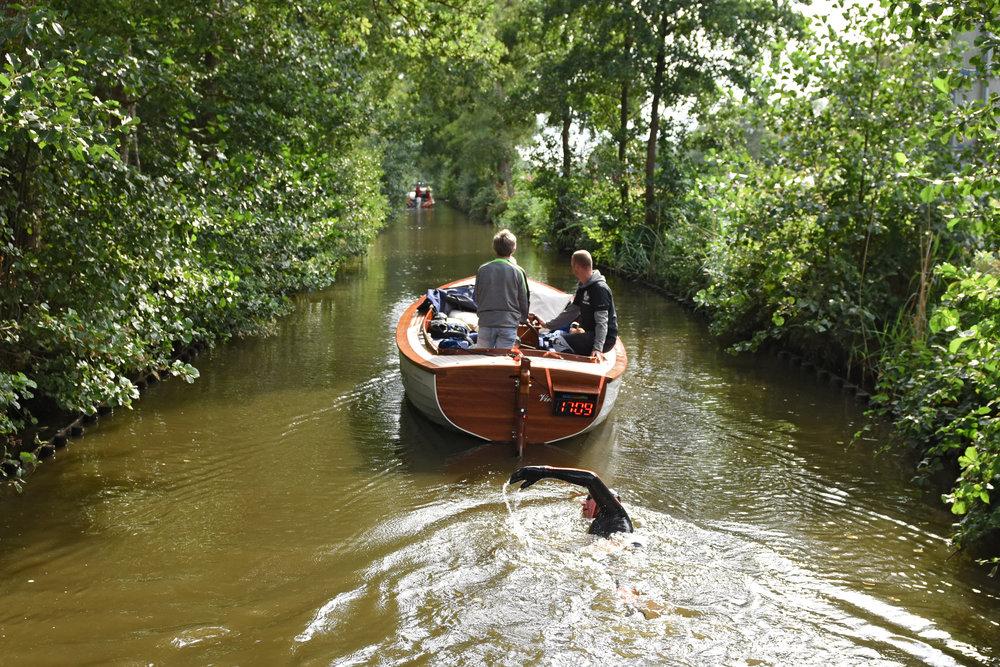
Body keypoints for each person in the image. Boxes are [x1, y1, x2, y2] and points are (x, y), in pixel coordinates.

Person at [529, 250, 618, 362]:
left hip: (605, 339)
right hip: (590, 334)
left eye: (572, 266)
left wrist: (598, 348)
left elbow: (602, 322)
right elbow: (571, 312)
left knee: (557, 341)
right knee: (553, 339)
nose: (572, 270)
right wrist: (548, 325)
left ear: (576, 267)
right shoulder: (583, 286)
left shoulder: (599, 289)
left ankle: (575, 364)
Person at [508, 465, 633, 537]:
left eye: (590, 497)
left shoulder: (616, 517)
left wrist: (543, 471)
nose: (584, 503)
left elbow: (590, 479)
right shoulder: (604, 522)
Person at [474, 229, 529, 349]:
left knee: (482, 357)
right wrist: (523, 319)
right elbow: (523, 300)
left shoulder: (482, 269)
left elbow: (476, 297)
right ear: (514, 249)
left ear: (494, 248)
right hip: (508, 324)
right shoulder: (518, 271)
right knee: (503, 359)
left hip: (486, 323)